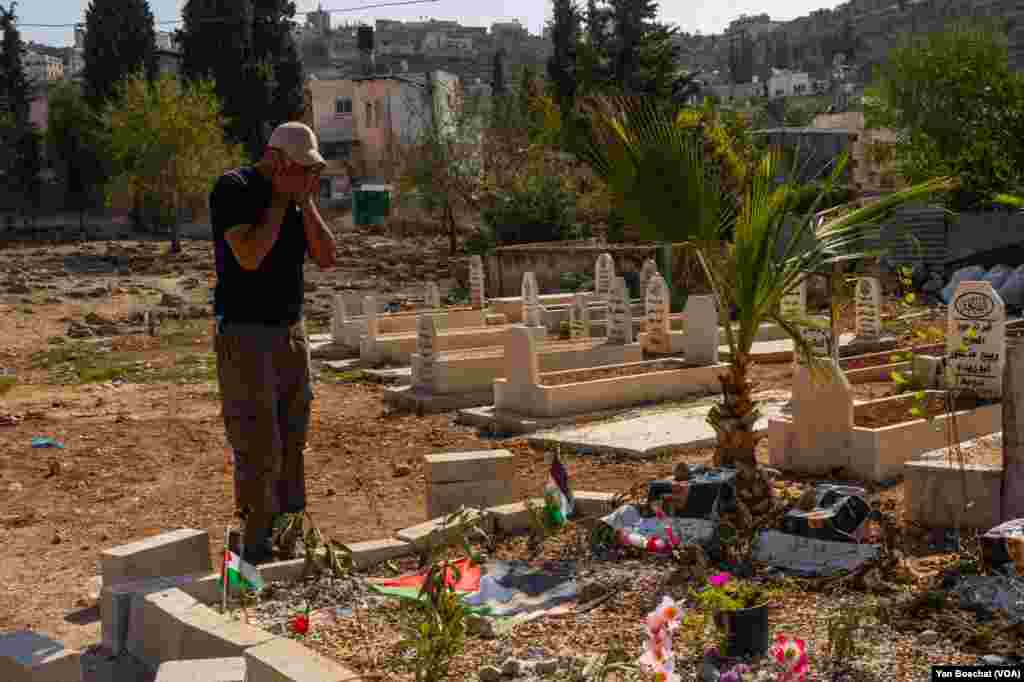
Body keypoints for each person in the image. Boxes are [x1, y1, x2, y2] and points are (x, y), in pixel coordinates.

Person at [209, 121, 337, 564]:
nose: (311, 179)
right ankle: (256, 543)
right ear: (281, 162)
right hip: (245, 336)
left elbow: (326, 257)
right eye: (305, 171)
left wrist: (306, 203)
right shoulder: (235, 188)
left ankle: (288, 533)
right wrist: (283, 199)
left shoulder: (298, 201)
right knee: (257, 440)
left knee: (293, 436)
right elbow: (249, 255)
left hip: (289, 332)